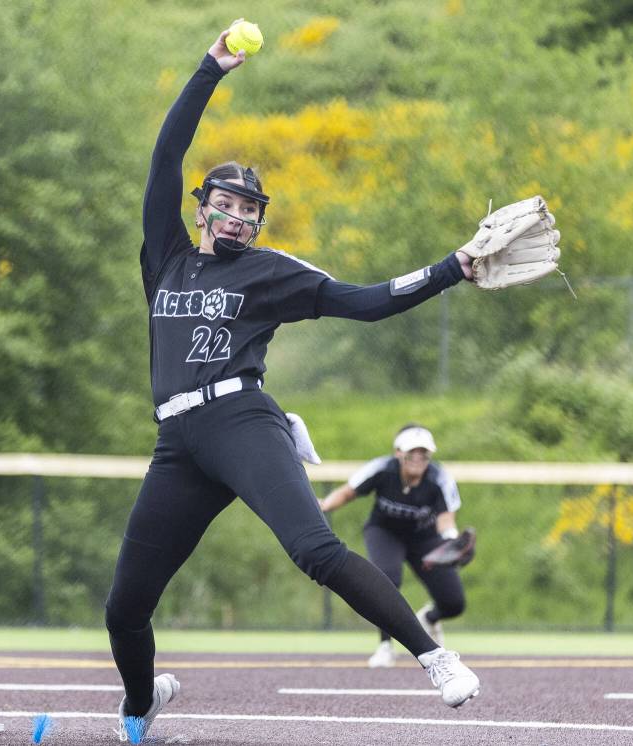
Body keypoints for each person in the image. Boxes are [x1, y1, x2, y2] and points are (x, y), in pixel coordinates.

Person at [104, 22, 484, 743]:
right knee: (124, 609)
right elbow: (165, 155)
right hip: (178, 442)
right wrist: (211, 67)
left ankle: (434, 656)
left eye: (253, 208)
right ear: (202, 206)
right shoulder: (168, 258)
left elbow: (367, 303)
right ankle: (139, 703)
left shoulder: (269, 271)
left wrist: (451, 267)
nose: (241, 215)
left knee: (313, 549)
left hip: (240, 421)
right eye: (229, 203)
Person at [319, 424, 467, 668]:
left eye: (424, 453)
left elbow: (445, 519)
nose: (418, 458)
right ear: (398, 452)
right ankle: (385, 646)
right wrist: (324, 505)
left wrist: (452, 542)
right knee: (386, 578)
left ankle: (429, 619)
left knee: (453, 602)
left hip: (425, 538)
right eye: (412, 452)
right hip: (384, 532)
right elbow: (348, 493)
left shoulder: (439, 478)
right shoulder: (382, 469)